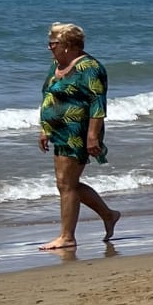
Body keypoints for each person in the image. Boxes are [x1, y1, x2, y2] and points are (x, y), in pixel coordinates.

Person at [38, 22, 120, 250]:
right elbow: (47, 95)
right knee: (65, 183)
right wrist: (45, 128)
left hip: (78, 131)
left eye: (53, 43)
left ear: (67, 44)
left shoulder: (90, 67)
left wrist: (92, 136)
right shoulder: (56, 66)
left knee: (66, 184)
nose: (49, 48)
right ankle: (108, 214)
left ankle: (67, 236)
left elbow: (98, 104)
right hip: (59, 130)